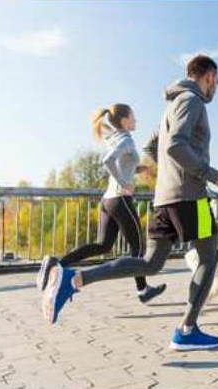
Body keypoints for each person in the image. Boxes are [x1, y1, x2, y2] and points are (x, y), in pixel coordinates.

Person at [42, 55, 218, 351]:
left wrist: (171, 174)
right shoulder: (191, 100)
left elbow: (153, 146)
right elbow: (177, 146)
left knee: (150, 263)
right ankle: (186, 330)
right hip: (191, 198)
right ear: (208, 76)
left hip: (166, 197)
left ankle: (74, 279)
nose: (216, 87)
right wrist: (210, 174)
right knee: (208, 258)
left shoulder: (173, 104)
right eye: (217, 81)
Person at [36, 104, 166, 303]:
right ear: (124, 121)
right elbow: (108, 161)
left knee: (103, 245)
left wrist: (139, 169)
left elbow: (121, 164)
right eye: (133, 117)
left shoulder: (115, 138)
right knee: (138, 248)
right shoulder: (126, 139)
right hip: (120, 200)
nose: (136, 121)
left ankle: (57, 264)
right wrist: (125, 184)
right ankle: (143, 291)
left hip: (108, 200)